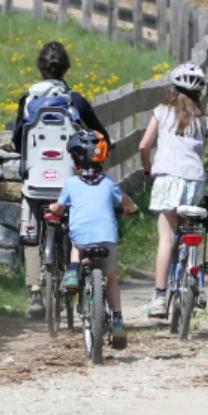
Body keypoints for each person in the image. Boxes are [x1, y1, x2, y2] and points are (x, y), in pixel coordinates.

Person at [12, 41, 112, 319]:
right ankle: (73, 273)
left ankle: (35, 291)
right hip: (69, 185)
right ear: (66, 69)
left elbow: (17, 140)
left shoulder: (27, 101)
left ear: (39, 68)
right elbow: (101, 135)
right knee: (76, 224)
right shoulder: (75, 100)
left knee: (31, 235)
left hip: (35, 182)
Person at [138, 63, 208, 318]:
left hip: (166, 180)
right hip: (194, 182)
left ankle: (160, 297)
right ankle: (190, 271)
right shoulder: (203, 120)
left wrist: (148, 168)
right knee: (186, 230)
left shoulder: (161, 112)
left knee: (166, 239)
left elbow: (143, 146)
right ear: (199, 93)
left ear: (172, 88)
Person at [49, 129, 138, 347]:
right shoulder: (108, 183)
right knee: (111, 277)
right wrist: (131, 208)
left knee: (76, 242)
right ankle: (118, 319)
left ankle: (72, 271)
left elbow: (58, 208)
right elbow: (125, 201)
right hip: (107, 238)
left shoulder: (71, 183)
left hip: (82, 238)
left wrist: (52, 208)